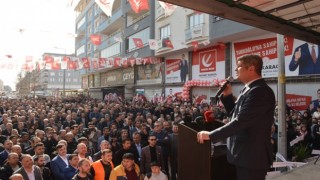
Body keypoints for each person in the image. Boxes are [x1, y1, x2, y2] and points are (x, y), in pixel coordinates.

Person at [197, 54, 276, 180]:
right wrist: (227, 96)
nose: (235, 70)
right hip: (243, 156)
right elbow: (235, 114)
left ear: (251, 68)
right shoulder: (249, 89)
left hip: (251, 158)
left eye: (239, 66)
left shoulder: (260, 91)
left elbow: (241, 122)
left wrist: (211, 135)